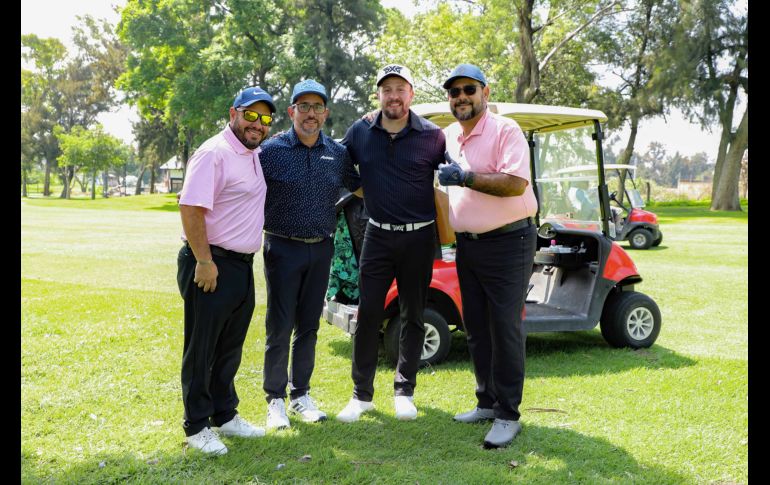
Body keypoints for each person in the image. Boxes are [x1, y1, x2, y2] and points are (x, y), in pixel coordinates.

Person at [336, 64, 446, 423]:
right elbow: (340, 166)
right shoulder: (360, 131)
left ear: (411, 94)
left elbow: (451, 178)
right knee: (368, 315)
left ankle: (404, 391)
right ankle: (361, 395)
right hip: (378, 235)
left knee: (412, 314)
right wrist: (365, 190)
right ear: (378, 95)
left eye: (400, 89)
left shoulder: (433, 135)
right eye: (387, 90)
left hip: (419, 237)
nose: (393, 96)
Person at [437, 64, 538, 448]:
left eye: (468, 89)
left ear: (485, 92)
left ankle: (509, 413)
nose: (461, 97)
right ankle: (488, 402)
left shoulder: (504, 129)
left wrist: (466, 178)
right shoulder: (448, 134)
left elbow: (514, 184)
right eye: (454, 92)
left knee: (504, 326)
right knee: (476, 326)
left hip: (509, 242)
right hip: (469, 244)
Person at [176, 86, 276, 455]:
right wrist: (204, 261)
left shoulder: (252, 153)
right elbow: (190, 208)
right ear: (233, 113)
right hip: (211, 262)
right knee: (202, 348)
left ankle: (224, 414)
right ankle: (196, 425)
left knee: (228, 346)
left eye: (265, 119)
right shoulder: (213, 153)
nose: (257, 124)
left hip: (241, 265)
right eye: (251, 115)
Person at [258, 79, 361, 430]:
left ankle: (301, 394)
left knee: (308, 327)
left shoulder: (337, 153)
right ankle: (275, 399)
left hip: (321, 249)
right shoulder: (270, 151)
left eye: (317, 108)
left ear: (326, 113)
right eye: (304, 107)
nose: (311, 114)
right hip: (281, 247)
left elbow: (361, 185)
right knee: (280, 326)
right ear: (291, 112)